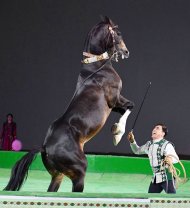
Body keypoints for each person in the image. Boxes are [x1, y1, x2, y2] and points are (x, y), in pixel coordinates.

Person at [127, 123, 179, 194]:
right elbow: (137, 150)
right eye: (154, 128)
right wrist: (132, 141)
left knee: (172, 197)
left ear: (163, 133)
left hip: (166, 176)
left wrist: (170, 159)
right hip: (156, 177)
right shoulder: (149, 144)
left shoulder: (167, 145)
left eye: (157, 128)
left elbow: (176, 159)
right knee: (150, 198)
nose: (154, 129)